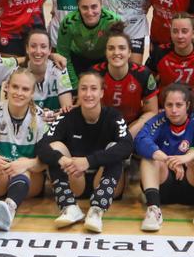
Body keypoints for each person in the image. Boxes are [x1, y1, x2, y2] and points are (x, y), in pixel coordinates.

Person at [38, 72, 134, 233]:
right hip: (75, 180)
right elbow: (42, 146)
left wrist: (88, 161)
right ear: (78, 93)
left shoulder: (113, 116)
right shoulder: (67, 117)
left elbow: (127, 146)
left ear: (102, 93)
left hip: (104, 181)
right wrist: (61, 159)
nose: (88, 94)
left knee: (115, 148)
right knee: (55, 147)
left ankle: (97, 211)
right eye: (83, 89)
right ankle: (69, 207)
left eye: (93, 89)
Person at [0, 68, 51, 231]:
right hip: (0, 176)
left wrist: (26, 164)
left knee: (22, 162)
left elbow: (46, 161)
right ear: (7, 87)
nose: (19, 93)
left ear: (32, 93)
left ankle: (10, 208)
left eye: (25, 89)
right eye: (15, 87)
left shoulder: (41, 118)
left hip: (29, 182)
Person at [136, 84, 194, 234]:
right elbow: (141, 140)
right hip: (163, 185)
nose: (174, 110)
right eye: (169, 105)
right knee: (149, 158)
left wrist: (187, 157)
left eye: (179, 105)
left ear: (187, 105)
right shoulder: (159, 121)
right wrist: (168, 159)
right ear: (164, 106)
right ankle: (153, 210)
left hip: (191, 185)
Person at [147, 14, 194, 114]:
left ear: (193, 33)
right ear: (171, 33)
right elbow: (146, 82)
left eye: (185, 31)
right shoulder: (159, 53)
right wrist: (154, 109)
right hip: (167, 110)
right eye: (175, 31)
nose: (180, 36)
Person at [95, 24, 158, 137]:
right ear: (105, 52)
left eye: (122, 48)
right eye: (111, 48)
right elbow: (87, 107)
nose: (116, 52)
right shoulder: (95, 74)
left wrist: (133, 128)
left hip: (133, 125)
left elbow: (152, 111)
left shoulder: (143, 74)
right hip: (103, 125)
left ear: (129, 52)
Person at [56, 0, 121, 83]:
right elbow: (63, 54)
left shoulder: (113, 21)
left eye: (94, 7)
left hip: (103, 59)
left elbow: (118, 51)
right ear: (78, 6)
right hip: (78, 59)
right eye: (84, 8)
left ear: (101, 4)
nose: (90, 12)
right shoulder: (68, 23)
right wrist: (74, 84)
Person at [23, 27, 73, 118]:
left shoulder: (59, 69)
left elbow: (67, 109)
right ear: (27, 49)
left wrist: (54, 115)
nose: (38, 51)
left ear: (50, 50)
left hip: (55, 123)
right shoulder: (18, 74)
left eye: (43, 46)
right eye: (33, 46)